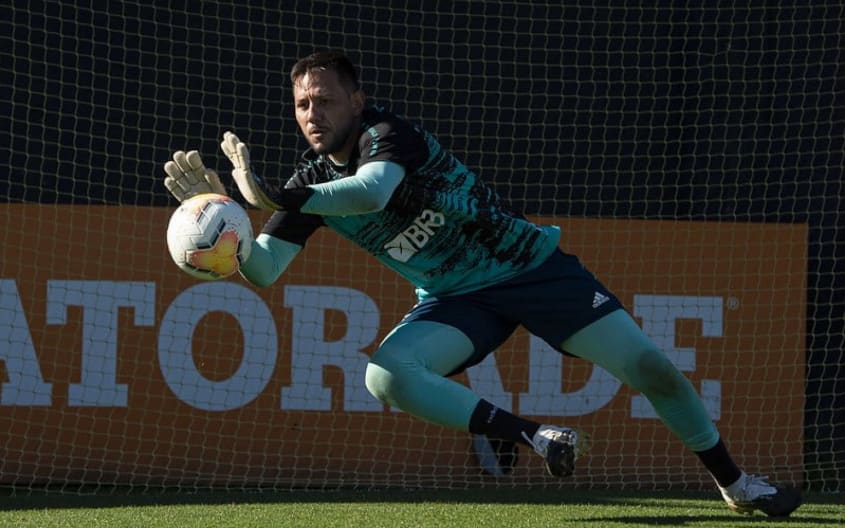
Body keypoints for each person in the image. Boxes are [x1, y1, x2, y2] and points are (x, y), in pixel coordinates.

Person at [163, 50, 802, 517]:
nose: (312, 112)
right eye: (302, 102)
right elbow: (267, 272)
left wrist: (272, 193)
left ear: (356, 101)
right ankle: (530, 435)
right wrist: (232, 237)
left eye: (325, 99)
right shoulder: (303, 185)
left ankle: (736, 485)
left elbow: (370, 193)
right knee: (384, 375)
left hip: (529, 266)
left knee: (652, 369)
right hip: (456, 299)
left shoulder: (389, 135)